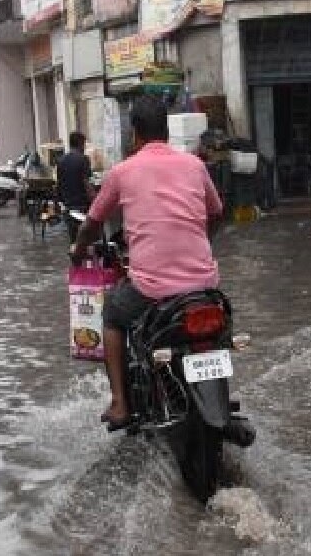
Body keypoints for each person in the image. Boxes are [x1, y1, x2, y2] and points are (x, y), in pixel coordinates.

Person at [70, 95, 224, 431]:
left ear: (135, 133)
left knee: (111, 312)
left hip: (153, 289)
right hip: (204, 285)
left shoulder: (123, 172)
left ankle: (120, 403)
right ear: (166, 131)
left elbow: (92, 224)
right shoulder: (195, 165)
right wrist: (201, 243)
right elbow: (216, 213)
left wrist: (79, 251)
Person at [57, 131, 95, 242]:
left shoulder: (61, 160)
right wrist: (95, 201)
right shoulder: (83, 159)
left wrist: (62, 203)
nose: (84, 147)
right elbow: (86, 183)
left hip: (69, 206)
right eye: (84, 144)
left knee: (74, 239)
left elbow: (59, 184)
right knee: (88, 239)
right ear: (80, 143)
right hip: (82, 205)